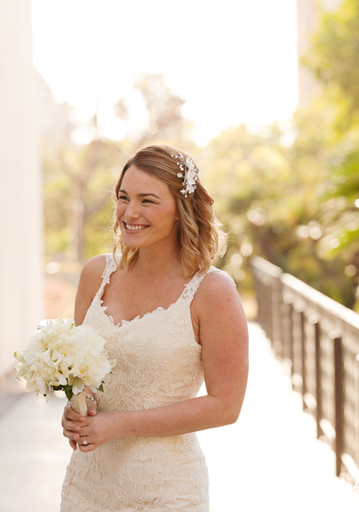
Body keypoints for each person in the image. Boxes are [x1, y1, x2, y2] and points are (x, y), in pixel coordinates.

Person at [60, 144, 249, 511]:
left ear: (182, 210)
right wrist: (76, 409)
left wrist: (120, 425)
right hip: (87, 486)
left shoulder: (211, 291)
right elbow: (81, 374)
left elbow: (226, 405)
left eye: (147, 201)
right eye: (123, 197)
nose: (130, 213)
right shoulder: (95, 275)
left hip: (167, 491)